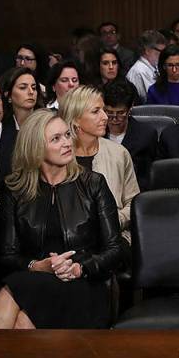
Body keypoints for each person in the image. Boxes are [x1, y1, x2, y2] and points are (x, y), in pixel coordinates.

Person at [0, 110, 127, 329]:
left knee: (15, 303)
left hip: (82, 282)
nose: (67, 143)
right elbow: (7, 255)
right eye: (56, 139)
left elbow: (115, 249)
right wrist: (37, 266)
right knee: (20, 309)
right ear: (35, 147)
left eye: (67, 135)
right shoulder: (15, 189)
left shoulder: (93, 184)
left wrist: (78, 268)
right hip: (32, 278)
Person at [59, 86, 139, 243]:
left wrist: (111, 220)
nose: (105, 117)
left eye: (103, 110)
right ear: (75, 119)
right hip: (68, 241)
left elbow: (134, 203)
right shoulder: (58, 156)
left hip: (115, 238)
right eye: (96, 111)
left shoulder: (119, 154)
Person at [103, 79, 157, 190]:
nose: (114, 119)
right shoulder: (96, 133)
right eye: (109, 112)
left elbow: (147, 177)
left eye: (120, 113)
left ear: (130, 108)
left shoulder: (146, 135)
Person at [126, 30, 167, 102]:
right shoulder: (139, 71)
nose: (164, 55)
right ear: (147, 50)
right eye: (161, 51)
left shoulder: (154, 67)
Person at [145, 44, 179, 109]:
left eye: (178, 65)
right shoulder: (154, 91)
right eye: (170, 65)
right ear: (164, 66)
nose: (174, 70)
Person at [0, 66, 39, 130]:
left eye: (34, 88)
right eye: (23, 87)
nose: (31, 92)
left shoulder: (47, 122)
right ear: (8, 95)